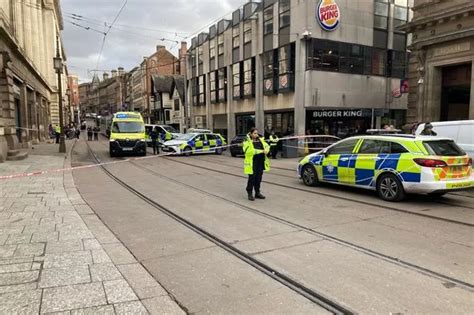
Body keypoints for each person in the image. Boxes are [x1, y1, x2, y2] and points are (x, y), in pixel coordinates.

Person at [243, 127, 270, 201]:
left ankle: (257, 192)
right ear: (251, 134)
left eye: (257, 133)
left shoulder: (260, 140)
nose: (256, 134)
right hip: (252, 162)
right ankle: (249, 193)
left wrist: (267, 150)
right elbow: (249, 151)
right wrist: (261, 151)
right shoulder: (247, 141)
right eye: (254, 133)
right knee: (252, 178)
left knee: (258, 178)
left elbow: (267, 146)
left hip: (260, 162)